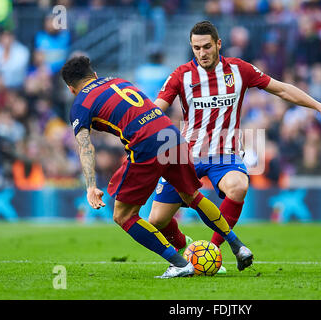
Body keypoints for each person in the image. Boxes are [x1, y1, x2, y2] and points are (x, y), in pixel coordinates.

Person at [148, 21, 321, 273]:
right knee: (157, 220)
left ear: (218, 44)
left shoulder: (238, 69)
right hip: (187, 154)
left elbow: (281, 89)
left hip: (225, 153)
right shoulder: (181, 75)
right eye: (196, 48)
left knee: (239, 185)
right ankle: (186, 248)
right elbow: (157, 107)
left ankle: (212, 253)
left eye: (207, 46)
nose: (202, 53)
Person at [61, 56, 254, 279]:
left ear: (71, 89)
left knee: (123, 215)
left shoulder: (80, 104)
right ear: (94, 75)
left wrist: (91, 186)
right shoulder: (118, 82)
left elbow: (85, 146)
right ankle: (238, 246)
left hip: (146, 144)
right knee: (191, 195)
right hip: (170, 134)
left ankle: (180, 264)